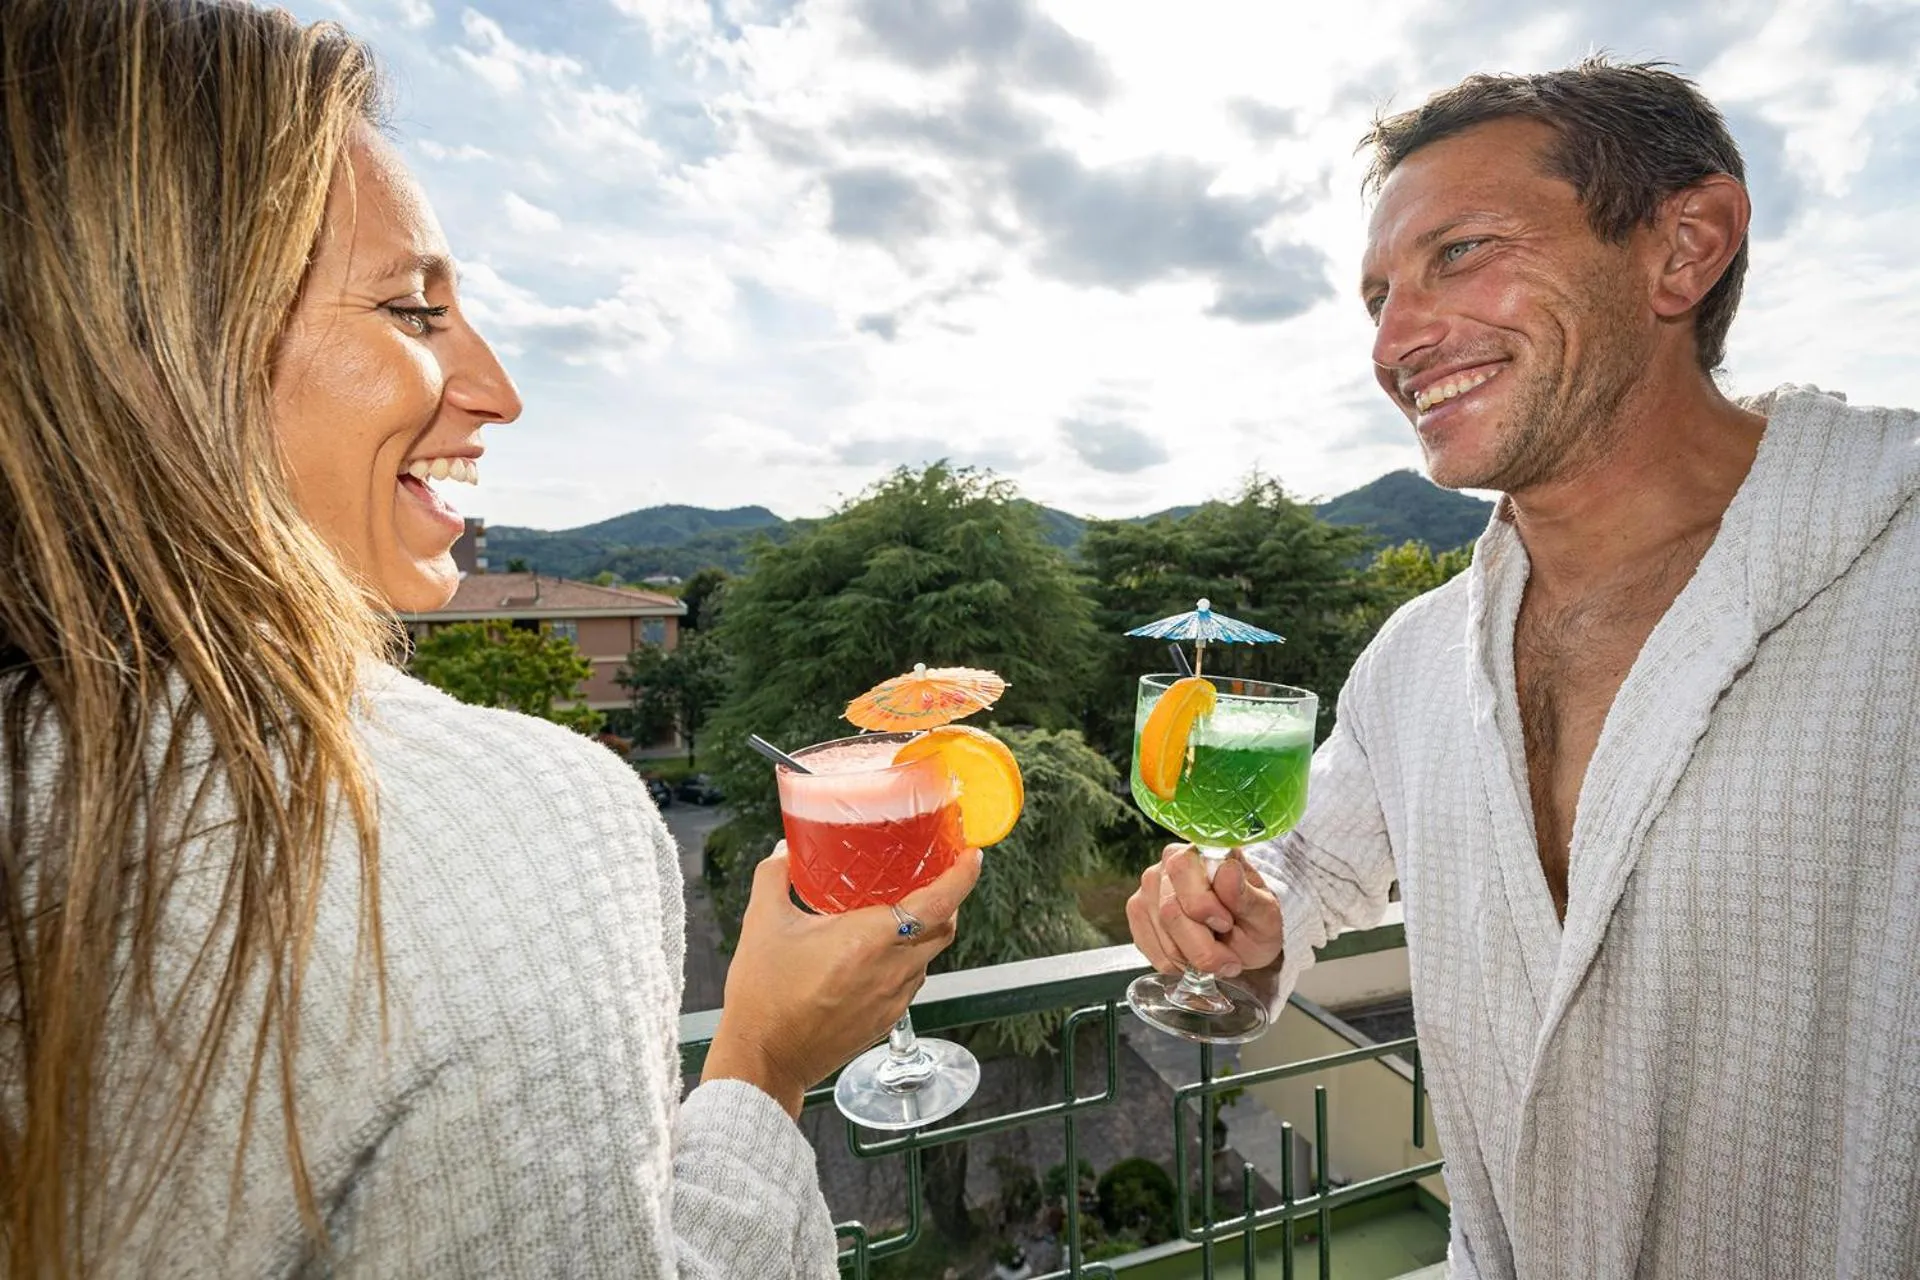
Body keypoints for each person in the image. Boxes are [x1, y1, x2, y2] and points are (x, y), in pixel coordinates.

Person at [0, 2, 976, 1275]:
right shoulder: (513, 827)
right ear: (164, 349)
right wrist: (763, 1059)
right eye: (414, 310)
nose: (502, 390)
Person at [1128, 58, 1919, 1279]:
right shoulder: (1414, 658)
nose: (1394, 341)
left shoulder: (1895, 581)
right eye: (1378, 294)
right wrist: (1235, 923)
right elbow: (1306, 863)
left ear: (1684, 246)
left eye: (1461, 251)